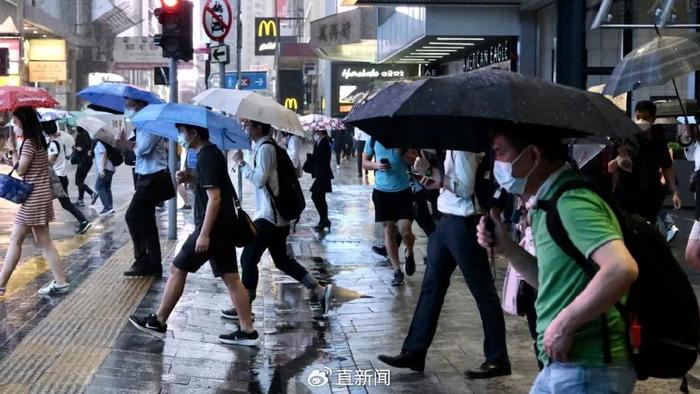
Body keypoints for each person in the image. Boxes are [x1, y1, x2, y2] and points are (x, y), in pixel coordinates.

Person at [476, 127, 638, 392]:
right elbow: (551, 281)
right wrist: (507, 248)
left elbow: (621, 268)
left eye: (500, 153)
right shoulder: (547, 202)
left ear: (532, 155)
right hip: (568, 365)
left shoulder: (571, 201)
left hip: (589, 369)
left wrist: (564, 323)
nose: (497, 165)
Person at [377, 149, 510, 379]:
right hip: (446, 222)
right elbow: (451, 183)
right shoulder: (450, 146)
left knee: (483, 292)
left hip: (464, 225)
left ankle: (497, 358)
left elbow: (465, 188)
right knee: (431, 288)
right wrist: (434, 179)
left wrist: (430, 171)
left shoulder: (463, 148)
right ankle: (414, 351)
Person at [129, 123, 258, 345]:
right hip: (224, 226)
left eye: (182, 131)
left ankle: (158, 321)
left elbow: (215, 198)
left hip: (213, 228)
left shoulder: (206, 155)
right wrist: (191, 178)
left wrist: (204, 234)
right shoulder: (210, 152)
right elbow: (212, 184)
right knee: (232, 278)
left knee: (177, 268)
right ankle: (248, 331)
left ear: (193, 133)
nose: (180, 136)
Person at [229, 119, 332, 319]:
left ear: (259, 127)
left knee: (248, 258)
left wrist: (241, 163)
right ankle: (319, 291)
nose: (244, 128)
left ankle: (245, 308)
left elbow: (259, 180)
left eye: (247, 124)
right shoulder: (264, 147)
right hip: (277, 218)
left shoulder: (266, 149)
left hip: (270, 217)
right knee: (282, 260)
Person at [0, 107, 70, 296]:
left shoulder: (30, 143)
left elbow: (21, 170)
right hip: (40, 196)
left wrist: (12, 151)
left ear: (24, 123)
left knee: (17, 240)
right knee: (43, 242)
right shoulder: (38, 141)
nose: (14, 127)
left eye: (15, 123)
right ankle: (61, 281)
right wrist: (14, 152)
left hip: (33, 199)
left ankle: (1, 283)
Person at [118, 98, 172, 278]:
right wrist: (125, 142)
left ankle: (142, 259)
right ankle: (154, 263)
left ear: (140, 105)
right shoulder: (141, 125)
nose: (127, 108)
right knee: (147, 220)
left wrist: (127, 143)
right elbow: (138, 150)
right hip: (145, 177)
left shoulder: (151, 125)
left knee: (132, 215)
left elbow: (144, 150)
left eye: (130, 105)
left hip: (154, 178)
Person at [609, 100, 681, 224]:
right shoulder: (624, 138)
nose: (641, 121)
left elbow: (667, 167)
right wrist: (619, 158)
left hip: (650, 196)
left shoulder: (658, 141)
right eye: (638, 117)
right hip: (626, 195)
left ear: (652, 119)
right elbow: (611, 168)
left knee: (647, 231)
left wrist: (674, 191)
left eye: (645, 118)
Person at [362, 140, 416, 285]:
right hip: (381, 193)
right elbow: (365, 162)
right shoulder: (373, 139)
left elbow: (416, 162)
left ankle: (409, 252)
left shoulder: (405, 137)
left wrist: (403, 153)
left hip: (403, 191)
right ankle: (397, 270)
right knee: (389, 230)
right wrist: (376, 165)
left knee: (405, 231)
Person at [42, 121, 92, 234]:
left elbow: (50, 161)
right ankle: (83, 221)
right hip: (60, 177)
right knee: (64, 203)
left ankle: (83, 221)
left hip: (57, 178)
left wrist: (40, 159)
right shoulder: (56, 141)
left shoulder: (54, 144)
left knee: (45, 201)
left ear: (45, 130)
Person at [306, 129, 333, 231]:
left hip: (323, 174)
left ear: (320, 131)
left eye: (315, 131)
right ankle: (324, 220)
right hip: (321, 174)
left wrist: (312, 155)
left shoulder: (324, 141)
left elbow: (322, 157)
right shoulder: (320, 141)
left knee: (316, 196)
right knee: (320, 197)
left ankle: (324, 220)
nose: (314, 132)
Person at [73, 126, 98, 207]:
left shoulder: (80, 136)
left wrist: (74, 146)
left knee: (78, 181)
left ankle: (92, 193)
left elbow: (80, 149)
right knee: (81, 181)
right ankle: (80, 200)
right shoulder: (87, 135)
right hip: (88, 161)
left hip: (83, 162)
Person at [93, 137, 115, 216]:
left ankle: (107, 207)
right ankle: (110, 207)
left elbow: (103, 154)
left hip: (105, 168)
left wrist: (101, 170)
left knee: (98, 186)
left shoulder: (99, 143)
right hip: (110, 168)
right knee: (106, 188)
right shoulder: (106, 142)